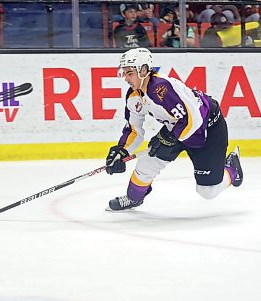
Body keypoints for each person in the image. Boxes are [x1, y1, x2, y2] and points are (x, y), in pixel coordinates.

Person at [104, 48, 243, 211]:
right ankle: (134, 198)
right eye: (125, 73)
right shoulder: (134, 96)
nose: (126, 78)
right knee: (147, 163)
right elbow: (134, 130)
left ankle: (232, 169)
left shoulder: (162, 88)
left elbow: (194, 119)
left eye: (129, 73)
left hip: (207, 127)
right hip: (177, 127)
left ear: (143, 70)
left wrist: (171, 138)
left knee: (208, 191)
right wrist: (122, 151)